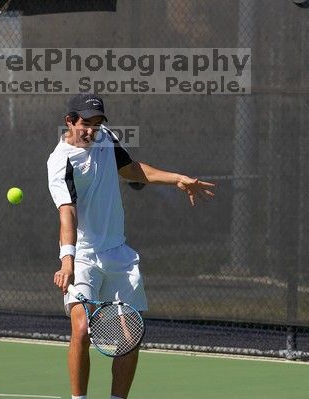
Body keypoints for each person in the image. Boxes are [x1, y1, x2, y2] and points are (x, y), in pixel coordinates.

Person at [47, 93, 215, 399]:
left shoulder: (106, 139)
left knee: (129, 335)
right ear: (69, 121)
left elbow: (132, 170)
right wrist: (67, 260)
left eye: (97, 123)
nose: (91, 130)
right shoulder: (60, 163)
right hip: (82, 256)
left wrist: (176, 179)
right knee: (82, 330)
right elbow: (66, 212)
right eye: (85, 123)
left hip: (118, 253)